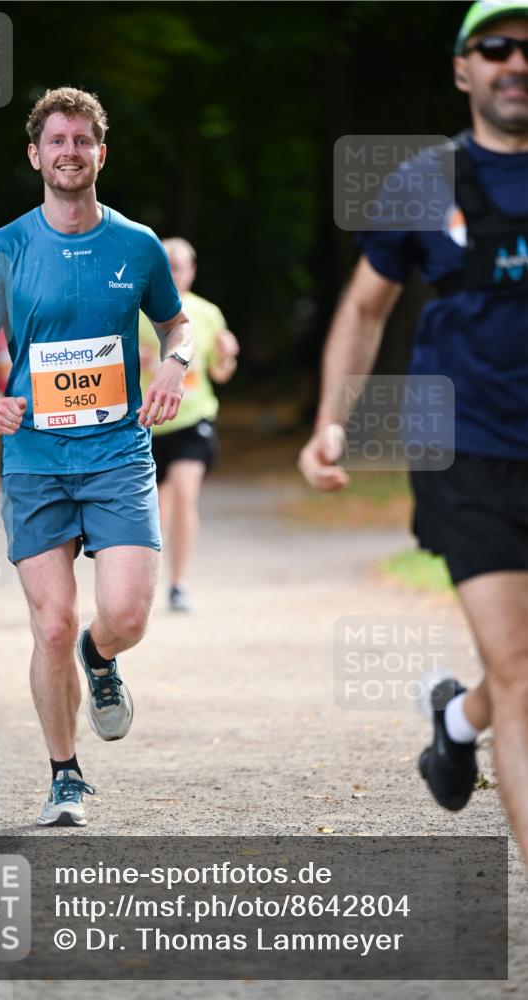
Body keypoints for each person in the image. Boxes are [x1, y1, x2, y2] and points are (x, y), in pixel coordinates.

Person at [298, 1, 528, 863]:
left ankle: (457, 721)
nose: (515, 62)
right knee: (522, 672)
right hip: (468, 456)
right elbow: (363, 308)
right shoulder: (424, 182)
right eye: (494, 47)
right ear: (463, 70)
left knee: (516, 677)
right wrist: (330, 424)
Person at [0, 87, 193, 827]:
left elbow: (177, 327)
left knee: (126, 614)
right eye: (56, 140)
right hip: (35, 458)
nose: (69, 151)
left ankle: (102, 654)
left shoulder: (137, 244)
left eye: (82, 140)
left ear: (100, 154)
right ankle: (64, 774)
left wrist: (174, 366)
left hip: (117, 451)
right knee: (49, 622)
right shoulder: (7, 246)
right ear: (35, 154)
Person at [138, 238, 239, 611]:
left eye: (178, 265)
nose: (172, 272)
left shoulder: (208, 314)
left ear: (192, 271)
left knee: (184, 492)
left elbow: (220, 373)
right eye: (165, 265)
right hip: (147, 423)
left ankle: (179, 583)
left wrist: (227, 358)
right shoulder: (135, 310)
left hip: (192, 420)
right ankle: (144, 583)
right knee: (154, 510)